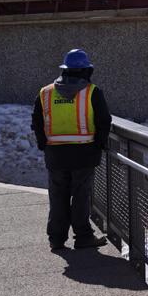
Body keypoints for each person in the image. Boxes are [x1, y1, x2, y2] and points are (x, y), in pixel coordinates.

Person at [32, 49, 112, 251]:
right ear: (86, 70)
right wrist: (99, 144)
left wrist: (44, 143)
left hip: (56, 154)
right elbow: (104, 121)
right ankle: (83, 236)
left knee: (57, 196)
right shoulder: (92, 92)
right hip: (84, 153)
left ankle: (56, 239)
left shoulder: (46, 92)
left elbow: (37, 121)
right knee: (80, 196)